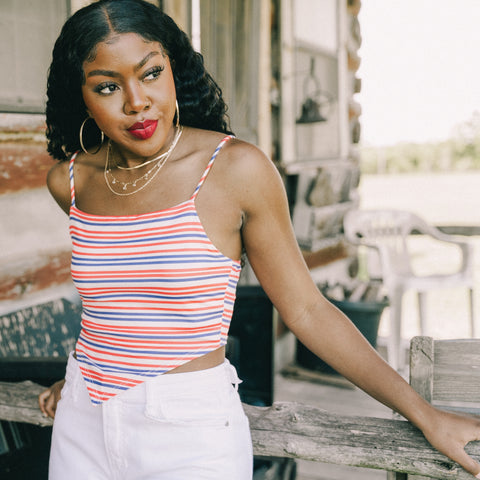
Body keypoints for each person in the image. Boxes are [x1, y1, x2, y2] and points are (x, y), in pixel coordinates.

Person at [38, 0, 480, 478]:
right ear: (80, 96)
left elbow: (307, 310)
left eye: (150, 73)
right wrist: (86, 379)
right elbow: (119, 298)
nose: (136, 101)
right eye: (107, 86)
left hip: (188, 435)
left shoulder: (234, 170)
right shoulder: (72, 181)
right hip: (82, 421)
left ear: (172, 68)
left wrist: (425, 414)